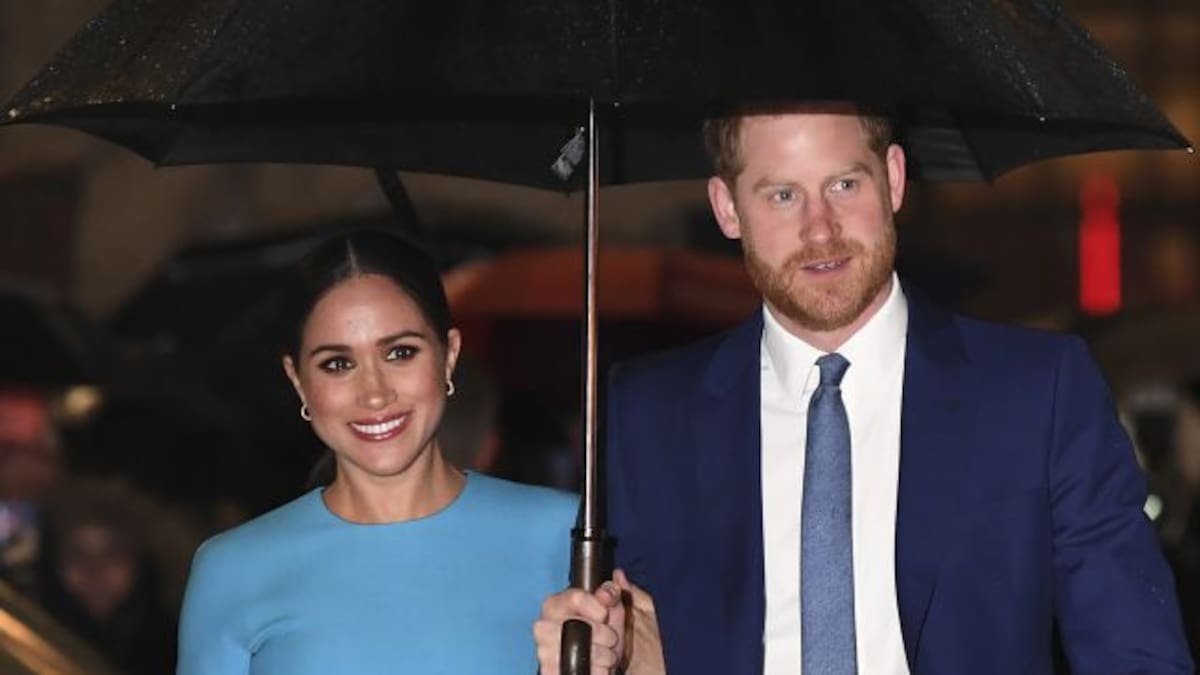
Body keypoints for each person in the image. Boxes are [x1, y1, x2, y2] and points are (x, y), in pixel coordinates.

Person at [534, 104, 1193, 674]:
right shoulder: (650, 414)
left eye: (844, 184)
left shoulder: (1037, 392)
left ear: (895, 177)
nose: (820, 228)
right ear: (727, 208)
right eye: (782, 195)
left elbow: (1135, 651)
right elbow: (634, 641)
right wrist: (605, 656)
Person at [178, 230, 584, 674]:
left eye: (400, 353)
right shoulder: (234, 570)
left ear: (449, 355)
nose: (374, 393)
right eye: (338, 364)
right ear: (298, 380)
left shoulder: (567, 533)